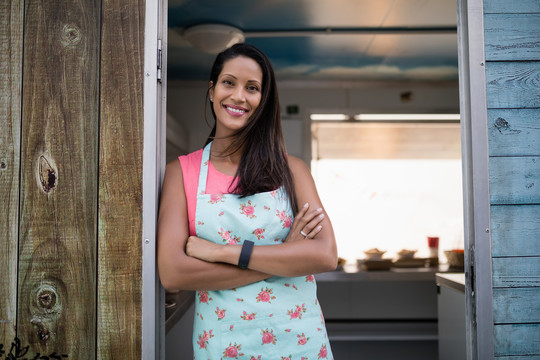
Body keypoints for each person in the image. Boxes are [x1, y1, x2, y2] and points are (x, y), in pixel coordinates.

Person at [157, 43, 337, 359]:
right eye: (229, 83)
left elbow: (324, 255)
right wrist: (284, 257)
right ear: (212, 91)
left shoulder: (292, 170)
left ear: (263, 100)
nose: (239, 96)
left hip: (298, 341)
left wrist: (219, 253)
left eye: (252, 88)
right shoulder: (181, 173)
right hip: (224, 344)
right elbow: (174, 273)